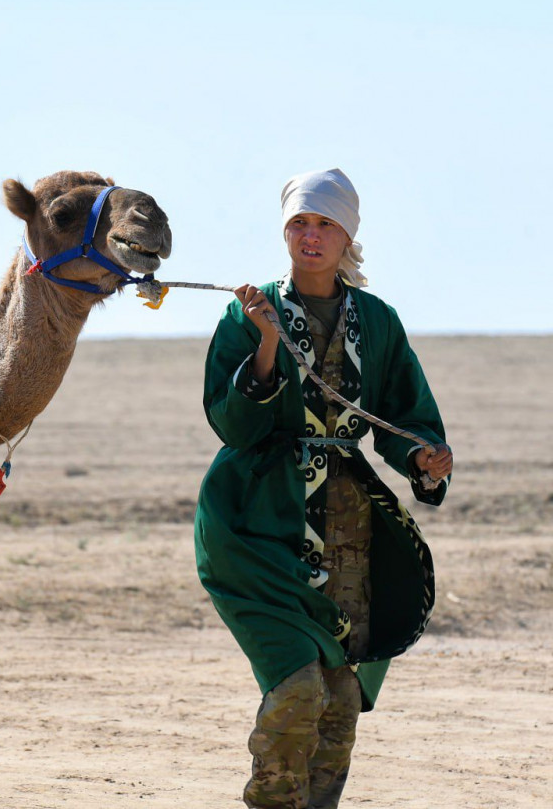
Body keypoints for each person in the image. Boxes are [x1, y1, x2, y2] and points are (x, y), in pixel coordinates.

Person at [194, 168, 453, 809]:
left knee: (340, 699)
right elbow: (232, 424)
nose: (312, 236)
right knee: (297, 685)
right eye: (300, 223)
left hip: (350, 531)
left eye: (325, 224)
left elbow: (401, 414)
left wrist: (424, 457)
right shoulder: (247, 312)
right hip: (259, 527)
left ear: (347, 237)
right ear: (286, 231)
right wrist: (266, 346)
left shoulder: (378, 320)